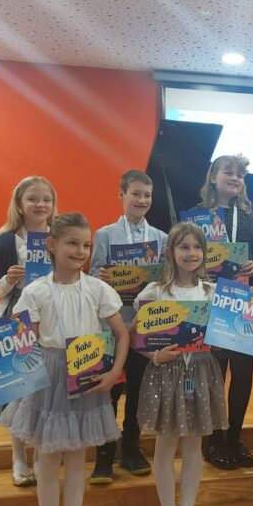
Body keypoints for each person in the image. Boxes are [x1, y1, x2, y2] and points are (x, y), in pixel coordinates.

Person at [0, 212, 128, 506]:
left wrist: (114, 372)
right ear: (52, 245)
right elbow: (23, 343)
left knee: (75, 462)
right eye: (73, 243)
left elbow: (122, 334)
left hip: (85, 375)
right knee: (47, 460)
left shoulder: (98, 289)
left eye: (86, 245)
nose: (81, 251)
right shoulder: (35, 291)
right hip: (49, 376)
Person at [135, 223, 253, 506]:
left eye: (197, 247)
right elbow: (135, 335)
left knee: (193, 446)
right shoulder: (154, 292)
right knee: (165, 445)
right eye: (184, 247)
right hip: (166, 374)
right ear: (171, 252)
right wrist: (154, 355)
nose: (191, 253)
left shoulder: (214, 292)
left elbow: (233, 334)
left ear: (205, 253)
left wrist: (251, 325)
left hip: (202, 372)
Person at [185, 155, 253, 470]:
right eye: (229, 172)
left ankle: (235, 438)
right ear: (213, 176)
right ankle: (213, 440)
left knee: (243, 376)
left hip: (240, 303)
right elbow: (181, 257)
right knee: (214, 376)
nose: (236, 178)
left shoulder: (249, 218)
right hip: (207, 303)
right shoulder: (195, 217)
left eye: (240, 174)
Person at [87, 170, 168, 484]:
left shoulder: (161, 238)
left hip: (146, 324)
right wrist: (102, 277)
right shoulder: (105, 234)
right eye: (136, 194)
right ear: (121, 194)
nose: (142, 200)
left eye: (147, 195)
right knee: (110, 388)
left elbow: (165, 280)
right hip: (113, 323)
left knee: (138, 387)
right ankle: (104, 452)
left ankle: (131, 446)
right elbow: (93, 277)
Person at [0, 175, 57, 487]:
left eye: (46, 199)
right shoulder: (6, 240)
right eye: (33, 198)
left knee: (46, 391)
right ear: (19, 203)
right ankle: (18, 457)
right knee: (16, 391)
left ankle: (41, 455)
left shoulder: (59, 236)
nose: (40, 204)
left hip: (52, 318)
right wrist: (9, 280)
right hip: (15, 317)